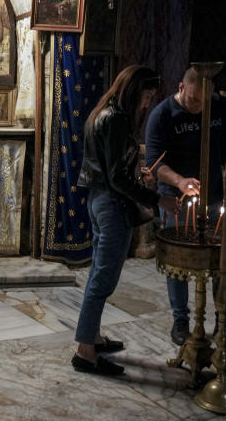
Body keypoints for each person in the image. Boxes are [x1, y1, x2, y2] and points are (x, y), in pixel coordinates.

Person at [73, 65, 178, 376]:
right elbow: (117, 178)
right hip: (111, 204)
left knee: (97, 275)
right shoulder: (117, 118)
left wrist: (135, 171)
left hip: (96, 199)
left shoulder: (102, 112)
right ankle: (85, 352)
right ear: (134, 91)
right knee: (103, 280)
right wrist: (158, 198)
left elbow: (108, 166)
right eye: (145, 97)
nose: (146, 104)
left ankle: (92, 337)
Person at [144, 66, 226, 346]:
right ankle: (181, 319)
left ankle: (222, 320)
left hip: (215, 194)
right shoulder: (162, 115)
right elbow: (154, 163)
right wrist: (180, 181)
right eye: (193, 100)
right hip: (177, 199)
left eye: (204, 102)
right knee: (178, 261)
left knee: (220, 260)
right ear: (181, 87)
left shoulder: (216, 106)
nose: (198, 108)